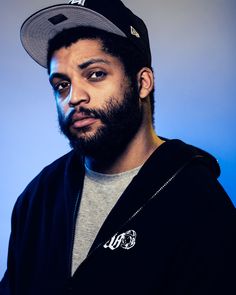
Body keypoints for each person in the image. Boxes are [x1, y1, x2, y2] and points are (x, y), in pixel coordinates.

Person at [0, 0, 235, 294]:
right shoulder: (39, 196)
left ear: (143, 82)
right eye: (61, 84)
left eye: (95, 74)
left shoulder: (199, 201)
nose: (73, 98)